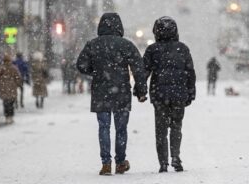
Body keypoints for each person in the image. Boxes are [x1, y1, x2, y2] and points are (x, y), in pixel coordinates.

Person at [77, 12, 147, 176]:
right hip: (121, 91)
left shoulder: (93, 44)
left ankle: (106, 163)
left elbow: (81, 65)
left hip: (100, 91)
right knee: (121, 128)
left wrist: (95, 71)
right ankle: (121, 162)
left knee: (104, 127)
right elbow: (138, 68)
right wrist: (141, 90)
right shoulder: (126, 45)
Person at [143, 16, 196, 173]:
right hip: (179, 94)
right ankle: (175, 157)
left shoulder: (152, 50)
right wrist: (190, 92)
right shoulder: (183, 48)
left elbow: (144, 71)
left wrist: (139, 89)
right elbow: (190, 72)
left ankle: (163, 162)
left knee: (160, 130)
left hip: (159, 95)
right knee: (176, 126)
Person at [0, 54, 22, 123]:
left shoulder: (1, 68)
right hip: (12, 88)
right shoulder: (13, 68)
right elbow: (18, 77)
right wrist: (18, 84)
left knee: (6, 103)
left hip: (3, 88)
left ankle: (7, 117)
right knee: (11, 104)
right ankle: (10, 116)